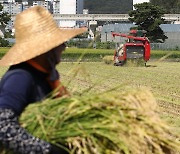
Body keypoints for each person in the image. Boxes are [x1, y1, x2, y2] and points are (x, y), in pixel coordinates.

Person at [0, 6, 87, 154]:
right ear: (46, 50)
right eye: (60, 43)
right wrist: (48, 150)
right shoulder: (21, 77)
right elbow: (3, 125)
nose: (64, 47)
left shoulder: (45, 77)